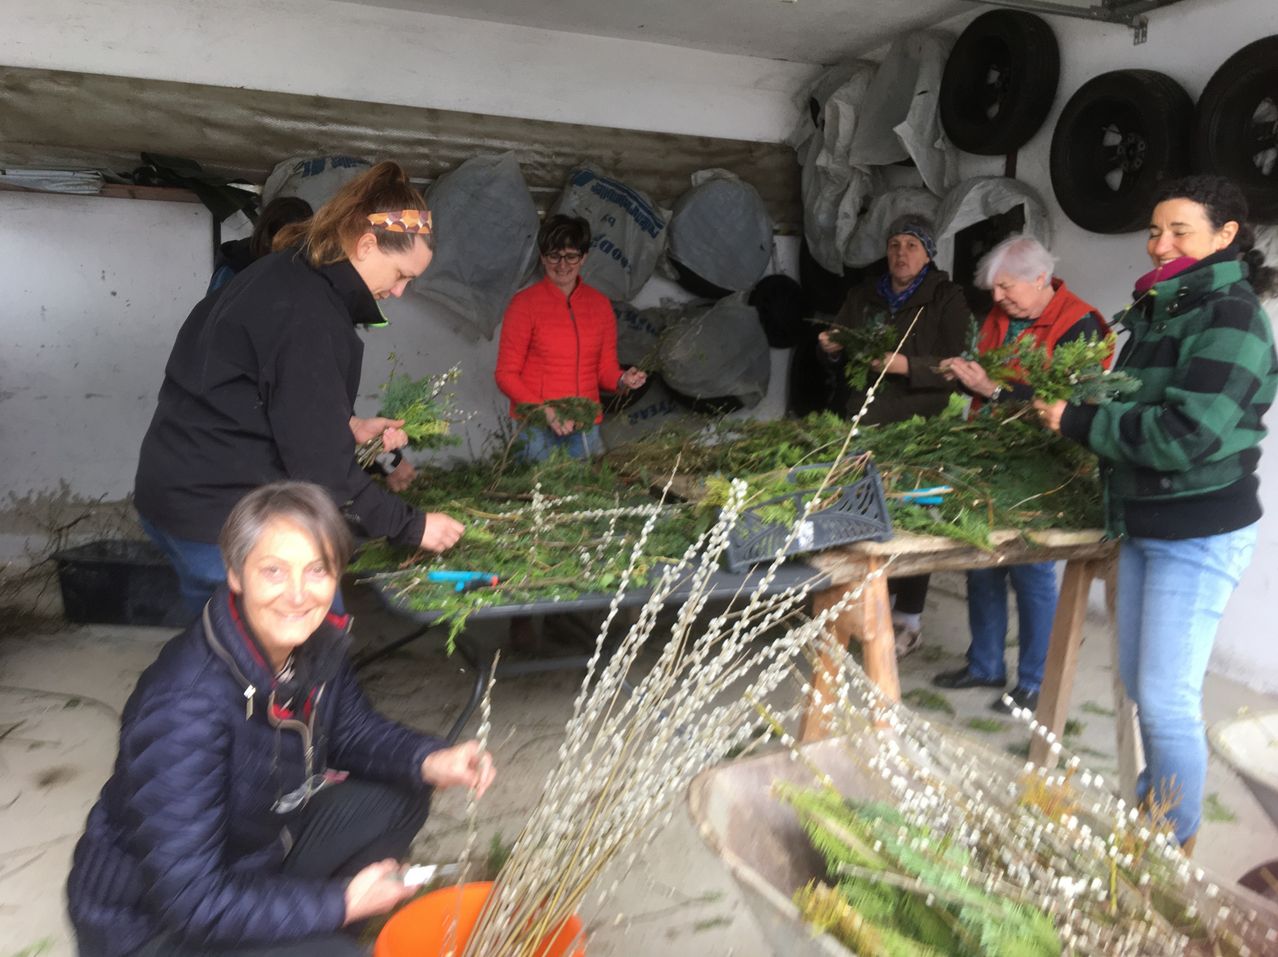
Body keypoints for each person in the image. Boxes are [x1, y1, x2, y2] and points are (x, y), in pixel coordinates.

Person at [67, 482, 496, 957]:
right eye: (274, 571)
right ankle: (325, 937)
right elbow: (189, 902)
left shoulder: (311, 643)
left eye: (317, 570)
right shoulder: (182, 709)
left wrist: (432, 759)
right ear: (235, 574)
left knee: (401, 792)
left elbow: (352, 730)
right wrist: (340, 902)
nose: (297, 594)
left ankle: (317, 934)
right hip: (153, 927)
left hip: (249, 863)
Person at [1038, 176, 1277, 850]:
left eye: (1178, 230)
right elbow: (1134, 399)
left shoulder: (1229, 314)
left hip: (1197, 530)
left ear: (1226, 235)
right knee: (1144, 685)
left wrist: (1080, 421)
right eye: (1153, 230)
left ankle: (1171, 847)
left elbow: (1188, 433)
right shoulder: (1163, 306)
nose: (1158, 244)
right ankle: (1151, 815)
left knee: (1168, 698)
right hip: (1146, 521)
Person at [134, 162, 463, 616]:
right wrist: (413, 526)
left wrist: (344, 425)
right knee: (313, 633)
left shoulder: (285, 273)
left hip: (175, 492)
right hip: (217, 514)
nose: (401, 291)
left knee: (219, 651)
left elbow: (261, 393)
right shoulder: (310, 314)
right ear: (367, 245)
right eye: (402, 273)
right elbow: (323, 472)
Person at [933, 234, 1109, 714]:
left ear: (1039, 279)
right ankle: (985, 665)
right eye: (994, 289)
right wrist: (967, 374)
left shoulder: (1082, 325)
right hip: (991, 456)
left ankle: (1035, 681)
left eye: (1006, 288)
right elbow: (989, 371)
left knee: (1031, 573)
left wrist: (991, 390)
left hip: (1046, 465)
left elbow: (1072, 407)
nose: (998, 298)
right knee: (981, 563)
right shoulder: (1001, 316)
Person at [816, 214, 970, 656]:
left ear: (928, 254)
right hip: (865, 421)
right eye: (894, 244)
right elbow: (842, 353)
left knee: (912, 520)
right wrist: (830, 348)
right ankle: (858, 607)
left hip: (918, 427)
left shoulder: (946, 297)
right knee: (859, 516)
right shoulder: (864, 295)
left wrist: (906, 366)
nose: (901, 253)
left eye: (912, 246)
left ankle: (908, 618)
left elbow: (958, 367)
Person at [495, 214, 646, 462]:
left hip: (584, 425)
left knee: (585, 497)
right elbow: (505, 375)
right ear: (543, 258)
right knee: (531, 496)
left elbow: (604, 370)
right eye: (554, 255)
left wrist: (622, 379)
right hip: (536, 428)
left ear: (584, 257)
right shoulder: (524, 305)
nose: (562, 264)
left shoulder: (599, 305)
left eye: (571, 256)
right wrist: (546, 412)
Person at [207, 196, 315, 294]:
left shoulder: (303, 263)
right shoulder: (234, 268)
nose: (294, 251)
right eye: (287, 244)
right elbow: (212, 312)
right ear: (268, 237)